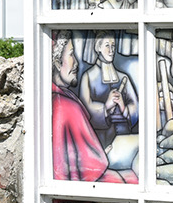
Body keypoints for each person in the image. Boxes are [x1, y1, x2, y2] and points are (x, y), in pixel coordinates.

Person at [52, 30, 137, 183]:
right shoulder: (88, 77)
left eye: (113, 46)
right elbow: (86, 110)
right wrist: (106, 107)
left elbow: (136, 108)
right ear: (97, 47)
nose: (111, 50)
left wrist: (124, 108)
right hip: (100, 141)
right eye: (107, 46)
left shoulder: (124, 78)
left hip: (123, 136)